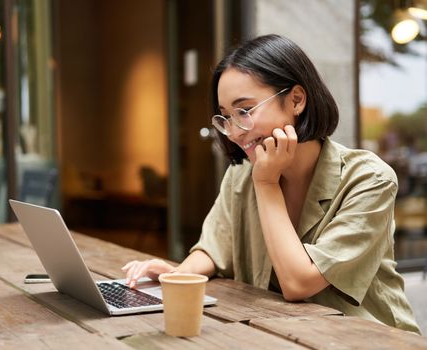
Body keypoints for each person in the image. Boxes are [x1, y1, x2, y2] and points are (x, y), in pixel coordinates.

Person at [122, 34, 420, 334]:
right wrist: (177, 275)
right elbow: (214, 248)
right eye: (225, 117)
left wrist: (266, 184)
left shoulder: (369, 179)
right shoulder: (241, 174)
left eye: (245, 111)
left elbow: (298, 283)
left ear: (296, 100)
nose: (235, 132)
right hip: (279, 335)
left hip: (368, 339)